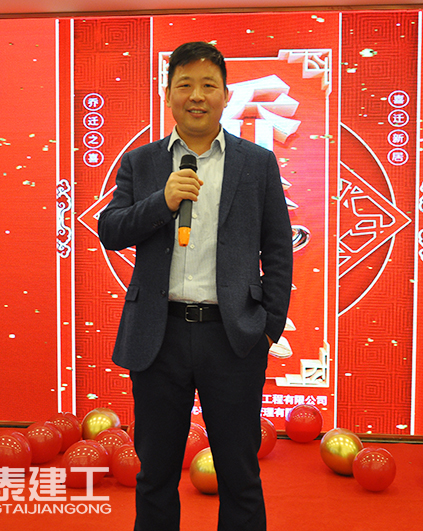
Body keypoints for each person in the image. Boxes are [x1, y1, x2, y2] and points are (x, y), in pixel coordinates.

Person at [98, 41, 293, 531]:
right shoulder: (142, 163)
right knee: (155, 473)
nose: (197, 96)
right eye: (185, 84)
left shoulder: (257, 163)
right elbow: (111, 229)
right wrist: (161, 202)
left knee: (239, 473)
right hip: (158, 336)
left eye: (209, 85)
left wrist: (267, 328)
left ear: (227, 95)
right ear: (168, 94)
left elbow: (277, 249)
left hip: (232, 338)